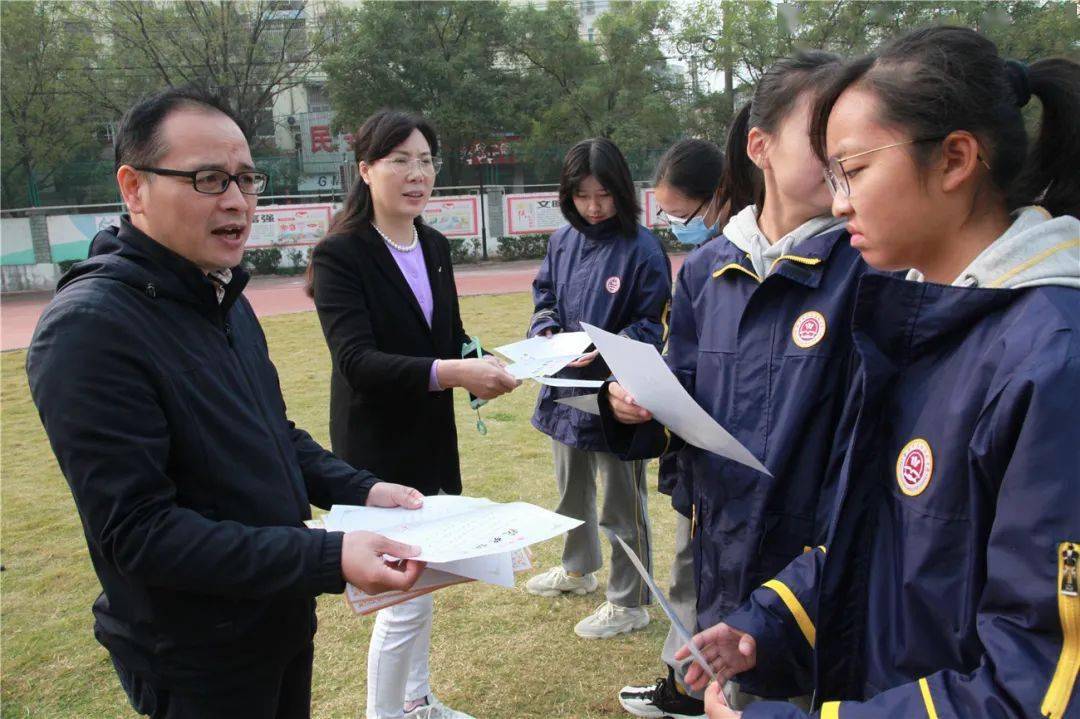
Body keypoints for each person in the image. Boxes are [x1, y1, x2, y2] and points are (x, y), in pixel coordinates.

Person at [676, 27, 1080, 719]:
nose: (838, 202)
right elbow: (880, 539)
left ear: (955, 158)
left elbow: (1040, 681)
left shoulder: (1053, 359)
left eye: (854, 171)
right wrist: (770, 622)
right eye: (832, 175)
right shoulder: (923, 319)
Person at [25, 86, 426, 719]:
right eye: (209, 180)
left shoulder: (223, 299)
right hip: (194, 658)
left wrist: (364, 489)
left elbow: (272, 433)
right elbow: (139, 532)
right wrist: (328, 555)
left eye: (245, 178)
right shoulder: (89, 330)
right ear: (134, 188)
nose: (237, 201)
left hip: (277, 619)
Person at [604, 51, 873, 716]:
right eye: (821, 137)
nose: (841, 154)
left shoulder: (867, 268)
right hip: (721, 548)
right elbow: (683, 393)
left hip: (820, 566)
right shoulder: (706, 270)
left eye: (853, 138)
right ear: (761, 145)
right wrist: (636, 408)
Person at [308, 110, 517, 719]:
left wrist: (487, 364)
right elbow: (357, 362)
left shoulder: (433, 243)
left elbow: (447, 336)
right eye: (400, 159)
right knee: (403, 598)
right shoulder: (341, 254)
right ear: (366, 168)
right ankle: (388, 714)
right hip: (376, 454)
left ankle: (417, 701)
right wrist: (456, 372)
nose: (416, 173)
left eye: (425, 159)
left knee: (419, 590)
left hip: (429, 441)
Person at [523, 137, 672, 640]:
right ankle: (576, 569)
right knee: (570, 491)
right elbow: (544, 293)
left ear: (622, 192)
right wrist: (544, 330)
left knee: (620, 502)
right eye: (582, 195)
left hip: (616, 395)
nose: (593, 206)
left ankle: (630, 600)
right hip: (563, 385)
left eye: (603, 195)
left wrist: (608, 349)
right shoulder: (563, 240)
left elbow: (653, 323)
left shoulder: (643, 249)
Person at [614, 137, 727, 719]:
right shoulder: (704, 265)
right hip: (693, 454)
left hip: (722, 460)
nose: (676, 227)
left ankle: (691, 690)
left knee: (703, 577)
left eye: (684, 216)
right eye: (668, 215)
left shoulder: (723, 265)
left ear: (718, 198)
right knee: (687, 570)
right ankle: (683, 686)